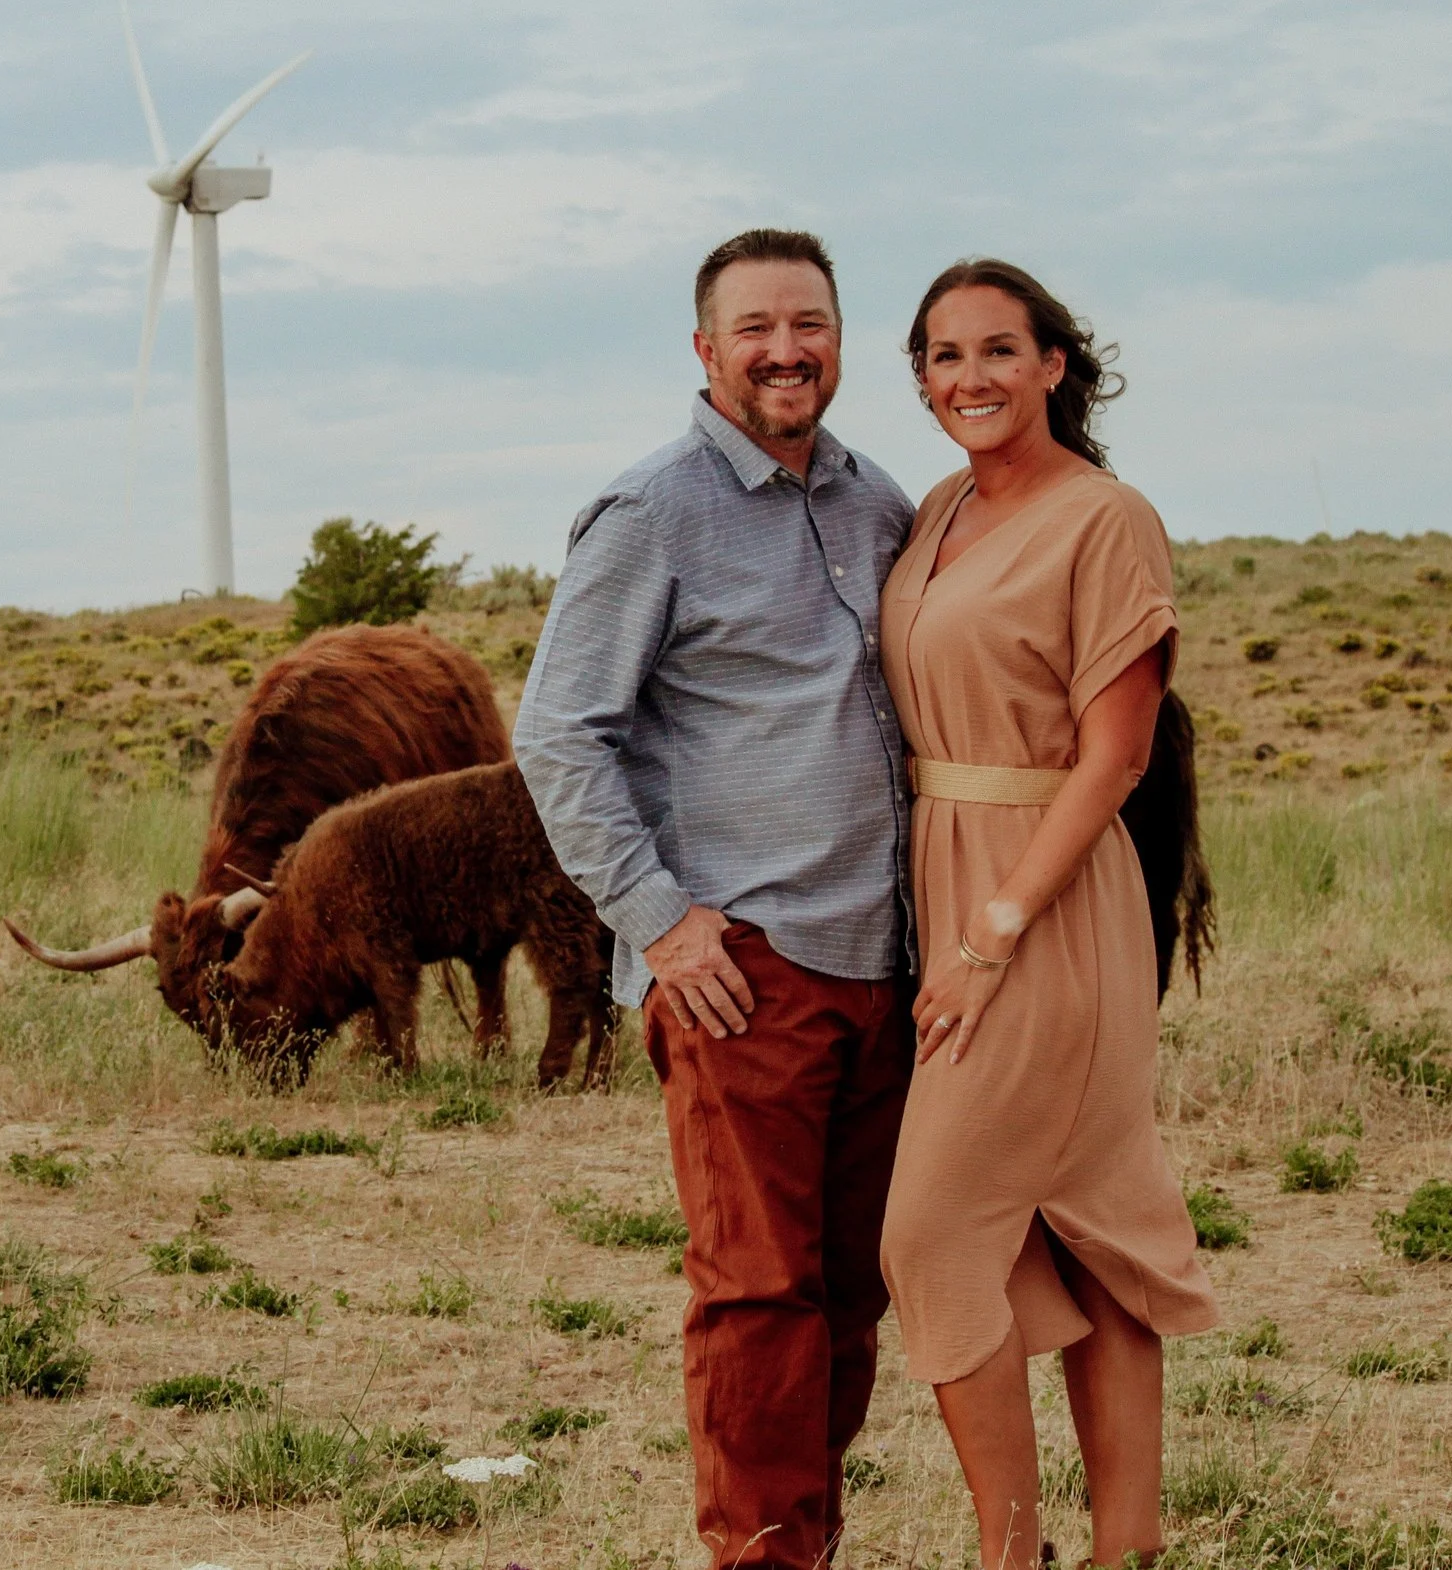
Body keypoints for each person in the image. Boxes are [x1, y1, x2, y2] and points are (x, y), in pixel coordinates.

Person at [516, 229, 916, 1570]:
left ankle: (808, 1536)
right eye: (756, 327)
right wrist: (661, 918)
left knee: (852, 1295)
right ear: (705, 351)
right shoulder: (653, 512)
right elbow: (559, 735)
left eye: (810, 322)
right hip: (748, 973)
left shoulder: (880, 504)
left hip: (892, 967)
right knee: (756, 1294)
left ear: (841, 341)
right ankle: (760, 1553)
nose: (786, 349)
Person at [877, 259, 1220, 1568]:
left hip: (1045, 906)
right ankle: (1123, 1547)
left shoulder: (1104, 517)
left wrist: (993, 932)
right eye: (946, 356)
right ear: (921, 378)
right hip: (945, 876)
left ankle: (1006, 1553)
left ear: (1054, 366)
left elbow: (1116, 757)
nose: (971, 377)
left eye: (999, 350)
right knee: (1077, 1226)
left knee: (930, 1231)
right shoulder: (939, 509)